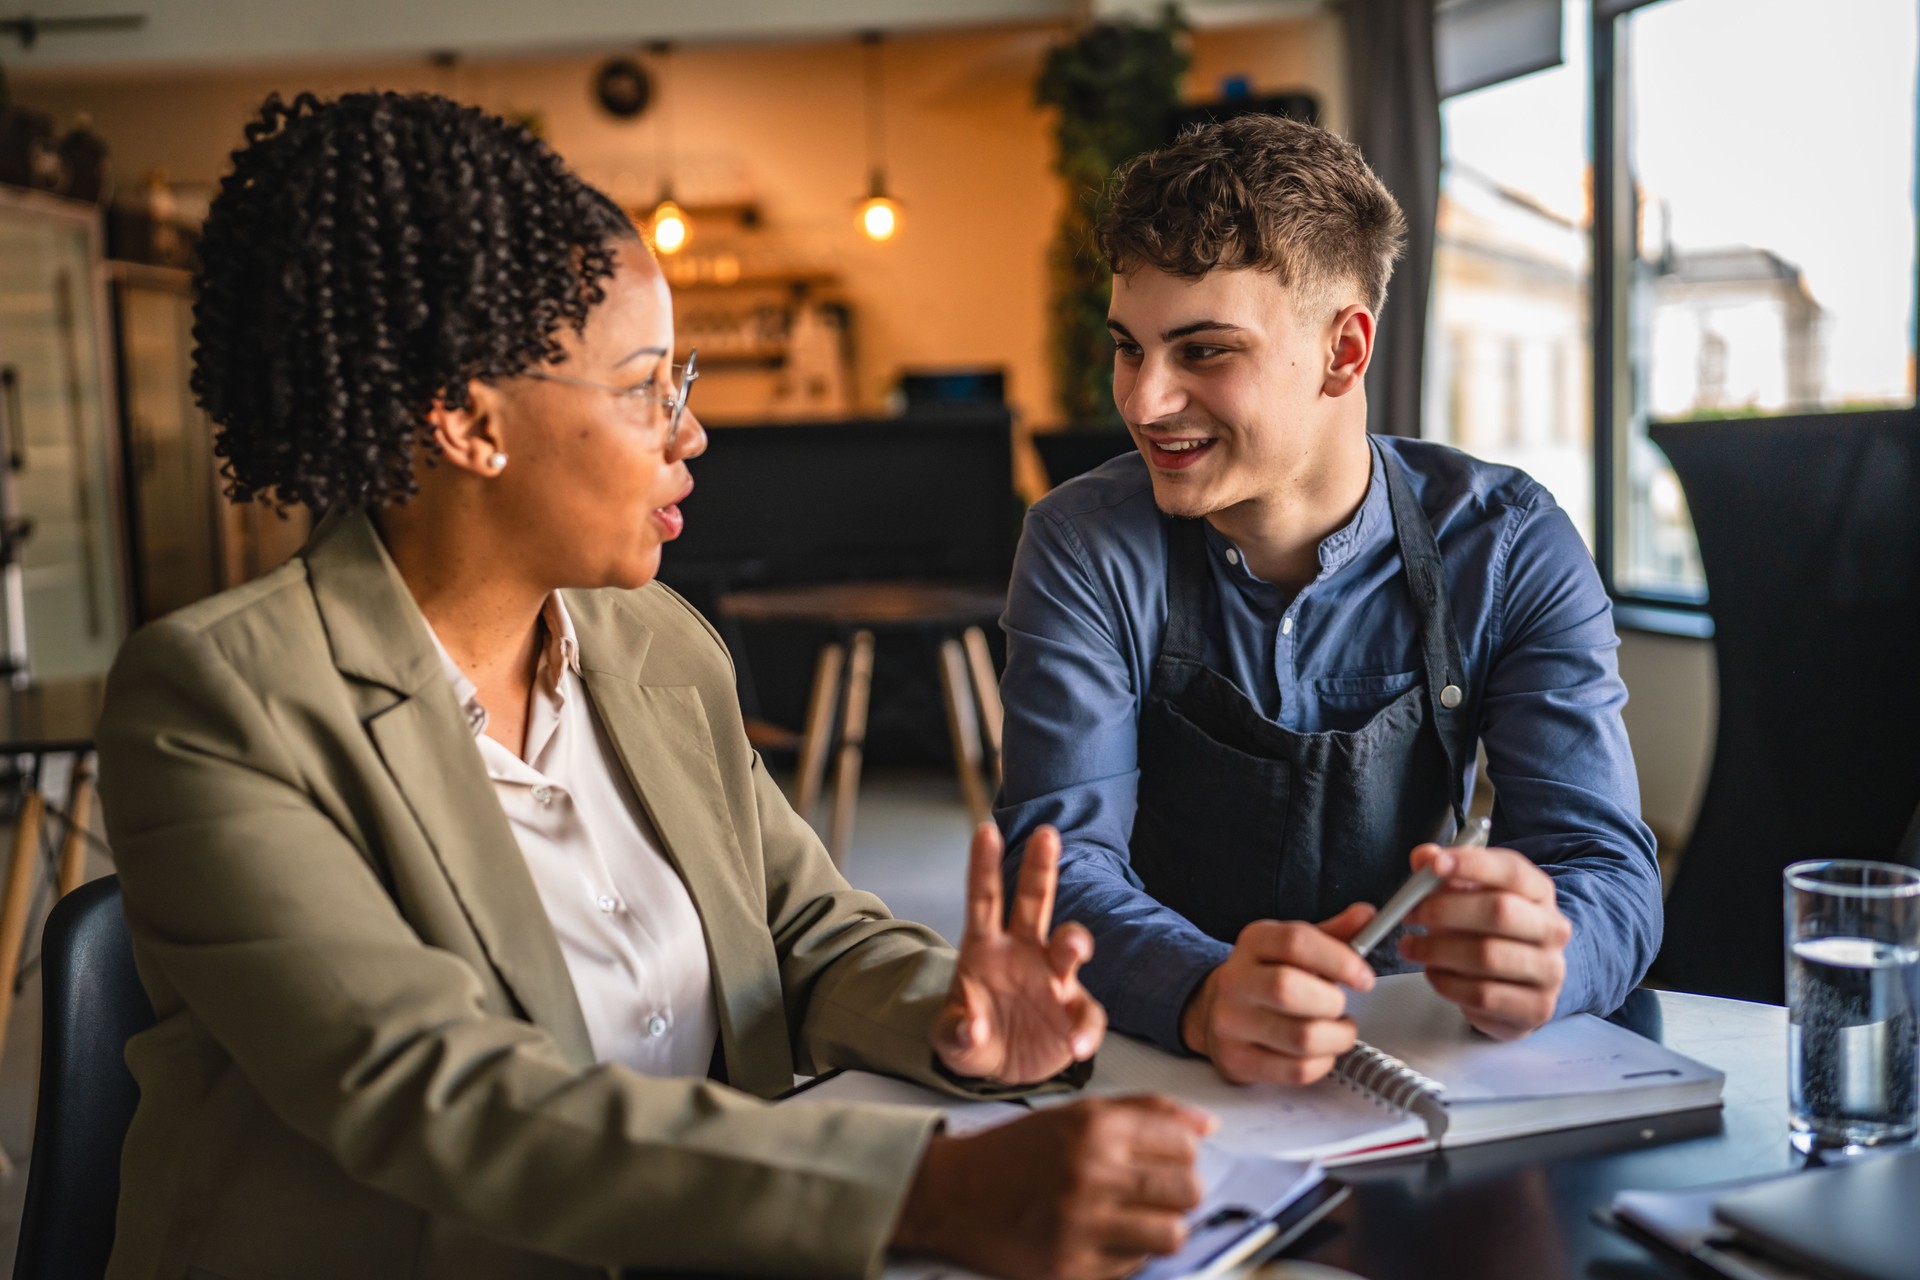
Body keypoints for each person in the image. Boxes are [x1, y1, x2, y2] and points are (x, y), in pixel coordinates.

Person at [94, 91, 1211, 1280]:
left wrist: (953, 1013)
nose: (689, 434)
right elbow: (439, 1092)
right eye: (643, 389)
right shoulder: (220, 703)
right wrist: (924, 1190)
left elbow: (805, 929)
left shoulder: (655, 642)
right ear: (470, 422)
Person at [996, 115, 1663, 1088]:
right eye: (1130, 349)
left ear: (1345, 351)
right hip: (1169, 1063)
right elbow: (1056, 868)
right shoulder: (1082, 544)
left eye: (1204, 351)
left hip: (1420, 1053)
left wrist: (1554, 949)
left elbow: (1605, 863)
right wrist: (1203, 989)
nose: (1142, 401)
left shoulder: (1511, 544)